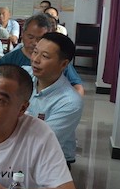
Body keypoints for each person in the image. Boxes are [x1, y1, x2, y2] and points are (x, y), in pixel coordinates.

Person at [25, 33, 84, 164]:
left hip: (51, 160)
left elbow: (42, 142)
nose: (35, 60)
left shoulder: (70, 101)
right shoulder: (23, 75)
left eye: (45, 56)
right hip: (17, 149)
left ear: (63, 64)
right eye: (35, 52)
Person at [0, 13, 85, 95]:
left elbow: (78, 87)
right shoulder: (8, 60)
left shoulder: (57, 61)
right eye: (30, 37)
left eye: (40, 38)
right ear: (22, 34)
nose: (35, 43)